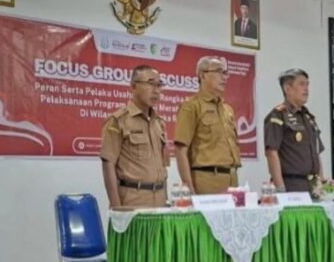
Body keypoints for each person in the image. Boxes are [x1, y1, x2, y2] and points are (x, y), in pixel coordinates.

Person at [99, 65, 169, 208]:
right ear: (133, 87)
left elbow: (163, 168)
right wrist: (116, 207)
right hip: (133, 202)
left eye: (159, 85)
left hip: (160, 201)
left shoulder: (159, 123)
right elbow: (108, 165)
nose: (156, 90)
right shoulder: (118, 121)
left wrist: (166, 200)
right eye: (150, 84)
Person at [174, 56, 241, 194]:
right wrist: (188, 189)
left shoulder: (227, 110)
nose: (224, 77)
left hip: (232, 180)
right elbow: (181, 150)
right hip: (206, 181)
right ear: (203, 75)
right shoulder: (191, 106)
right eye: (219, 72)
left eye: (225, 73)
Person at [264, 68, 324, 193]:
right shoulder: (278, 115)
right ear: (287, 89)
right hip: (292, 184)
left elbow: (317, 152)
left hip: (313, 185)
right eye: (301, 84)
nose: (306, 89)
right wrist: (280, 187)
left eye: (307, 84)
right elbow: (271, 153)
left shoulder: (308, 117)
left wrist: (321, 182)